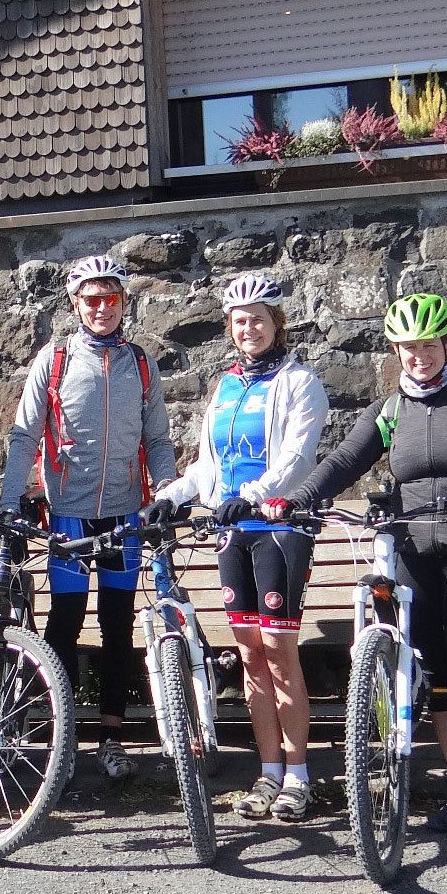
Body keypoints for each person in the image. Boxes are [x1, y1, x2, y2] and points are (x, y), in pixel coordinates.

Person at [267, 293, 447, 842]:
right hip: (415, 549)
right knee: (436, 677)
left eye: (428, 345)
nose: (419, 356)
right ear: (395, 351)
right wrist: (297, 500)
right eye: (408, 348)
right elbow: (345, 459)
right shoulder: (391, 409)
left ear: (446, 343)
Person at [148, 274, 328, 821]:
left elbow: (297, 458)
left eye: (258, 319)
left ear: (277, 323)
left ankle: (298, 776)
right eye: (239, 320)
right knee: (248, 653)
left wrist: (250, 496)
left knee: (278, 651)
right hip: (232, 531)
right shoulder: (226, 386)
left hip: (277, 528)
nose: (249, 328)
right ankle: (268, 771)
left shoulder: (299, 382)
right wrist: (170, 497)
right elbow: (210, 464)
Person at [0, 255, 178, 782]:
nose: (102, 308)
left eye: (111, 299)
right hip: (69, 515)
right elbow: (25, 434)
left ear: (124, 302)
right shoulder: (55, 359)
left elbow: (157, 439)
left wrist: (167, 494)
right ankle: (61, 739)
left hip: (124, 513)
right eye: (92, 300)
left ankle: (111, 738)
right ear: (76, 304)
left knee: (118, 625)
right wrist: (9, 502)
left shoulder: (141, 364)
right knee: (65, 622)